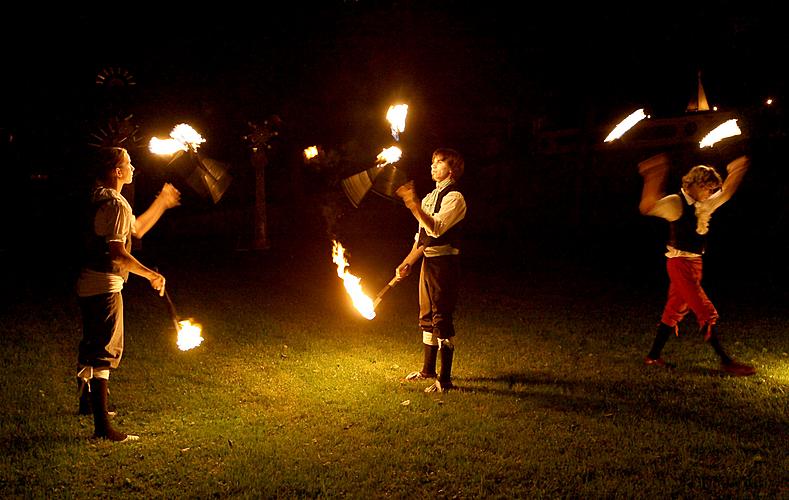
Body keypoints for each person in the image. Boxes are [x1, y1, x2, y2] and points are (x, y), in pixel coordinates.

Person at [76, 147, 181, 442]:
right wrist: (151, 275)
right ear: (117, 172)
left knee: (92, 343)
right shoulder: (116, 204)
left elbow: (134, 229)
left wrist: (161, 202)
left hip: (88, 283)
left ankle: (89, 405)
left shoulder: (102, 197)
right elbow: (118, 255)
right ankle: (102, 428)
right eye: (128, 163)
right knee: (104, 352)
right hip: (105, 286)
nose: (134, 167)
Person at [638, 152, 755, 376]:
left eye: (712, 190)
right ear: (696, 184)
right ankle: (726, 361)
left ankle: (653, 356)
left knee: (674, 309)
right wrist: (653, 175)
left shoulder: (703, 205)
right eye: (708, 189)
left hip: (694, 265)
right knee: (704, 309)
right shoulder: (676, 203)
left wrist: (737, 170)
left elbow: (726, 193)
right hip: (680, 264)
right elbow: (647, 207)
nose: (710, 194)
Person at [395, 148, 467, 393]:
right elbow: (422, 239)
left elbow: (436, 228)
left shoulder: (455, 198)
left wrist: (413, 205)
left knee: (442, 318)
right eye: (432, 162)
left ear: (452, 168)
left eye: (439, 162)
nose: (433, 166)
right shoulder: (428, 198)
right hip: (427, 261)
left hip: (444, 265)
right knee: (426, 316)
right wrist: (407, 262)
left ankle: (445, 380)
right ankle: (428, 370)